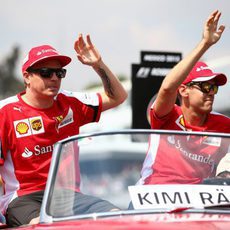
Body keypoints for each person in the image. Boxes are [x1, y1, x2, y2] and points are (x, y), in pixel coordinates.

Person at [0, 34, 127, 227]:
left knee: (119, 218)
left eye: (59, 73)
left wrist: (97, 64)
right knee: (44, 226)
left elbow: (118, 97)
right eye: (45, 72)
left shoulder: (69, 102)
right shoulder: (5, 112)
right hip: (24, 198)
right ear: (26, 77)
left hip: (68, 196)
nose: (54, 78)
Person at [137, 10, 230, 186]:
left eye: (214, 87)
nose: (211, 92)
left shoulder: (224, 125)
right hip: (154, 194)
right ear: (183, 91)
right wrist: (205, 43)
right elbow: (166, 88)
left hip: (200, 200)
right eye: (205, 86)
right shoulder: (167, 114)